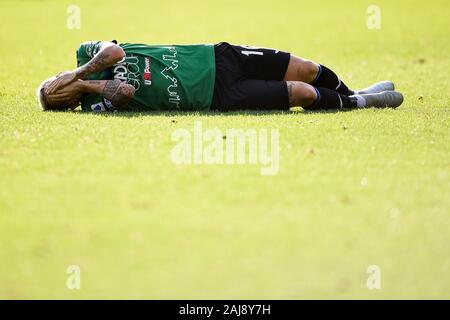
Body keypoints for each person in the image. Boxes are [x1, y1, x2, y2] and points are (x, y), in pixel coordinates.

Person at [37, 40, 403, 112]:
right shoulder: (95, 104)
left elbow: (114, 52)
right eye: (59, 94)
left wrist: (80, 71)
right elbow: (127, 91)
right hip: (216, 97)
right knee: (302, 93)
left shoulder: (86, 54)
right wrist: (83, 86)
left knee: (306, 68)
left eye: (56, 82)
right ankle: (360, 101)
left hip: (217, 56)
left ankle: (354, 91)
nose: (62, 87)